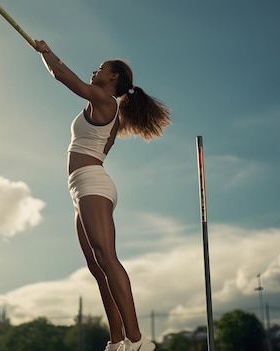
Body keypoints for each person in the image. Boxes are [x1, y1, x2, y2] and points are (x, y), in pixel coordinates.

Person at [35, 39, 171, 351]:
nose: (95, 70)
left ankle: (138, 341)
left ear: (112, 78)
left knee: (107, 257)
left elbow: (62, 76)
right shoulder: (106, 108)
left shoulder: (106, 102)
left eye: (101, 68)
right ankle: (117, 341)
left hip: (92, 184)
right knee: (97, 267)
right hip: (81, 186)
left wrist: (46, 52)